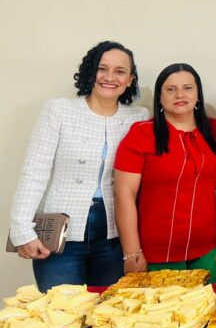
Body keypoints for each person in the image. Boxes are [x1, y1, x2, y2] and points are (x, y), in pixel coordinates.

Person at [9, 41, 148, 291]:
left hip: (114, 236)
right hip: (61, 236)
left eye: (119, 71)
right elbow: (35, 172)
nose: (109, 77)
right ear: (89, 72)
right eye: (101, 68)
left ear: (130, 79)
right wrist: (22, 230)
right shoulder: (59, 111)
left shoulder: (138, 117)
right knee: (62, 314)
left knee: (109, 314)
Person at [114, 64, 216, 281]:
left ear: (198, 94)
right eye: (170, 89)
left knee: (212, 311)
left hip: (211, 249)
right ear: (160, 97)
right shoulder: (141, 134)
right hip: (157, 255)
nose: (180, 95)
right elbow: (124, 194)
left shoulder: (215, 130)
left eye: (188, 88)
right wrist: (132, 252)